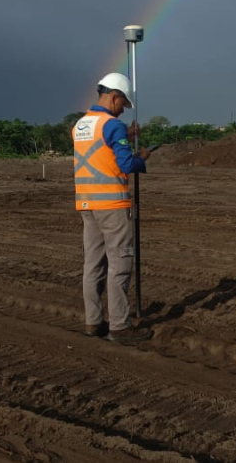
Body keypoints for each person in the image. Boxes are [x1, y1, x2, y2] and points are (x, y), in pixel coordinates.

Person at [72, 73, 153, 343]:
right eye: (122, 104)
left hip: (87, 204)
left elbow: (100, 151)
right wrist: (140, 158)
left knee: (93, 265)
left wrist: (126, 136)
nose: (122, 109)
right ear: (114, 96)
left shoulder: (81, 125)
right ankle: (119, 327)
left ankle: (93, 323)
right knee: (120, 264)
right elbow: (126, 165)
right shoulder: (112, 125)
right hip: (112, 206)